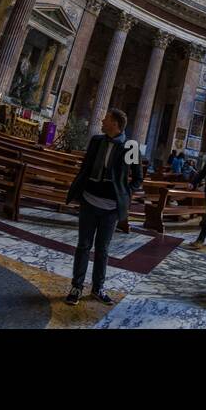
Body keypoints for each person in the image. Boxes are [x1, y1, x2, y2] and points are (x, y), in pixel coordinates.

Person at [65, 108, 141, 306]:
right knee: (83, 245)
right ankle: (77, 286)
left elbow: (138, 177)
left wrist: (125, 192)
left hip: (111, 207)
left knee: (102, 248)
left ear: (115, 123)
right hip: (89, 200)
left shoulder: (130, 147)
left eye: (106, 118)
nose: (102, 120)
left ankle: (98, 288)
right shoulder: (97, 141)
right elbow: (86, 167)